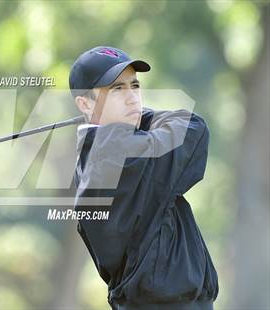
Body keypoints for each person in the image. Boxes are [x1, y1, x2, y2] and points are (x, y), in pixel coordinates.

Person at [70, 46, 219, 310]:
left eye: (135, 86)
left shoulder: (97, 155)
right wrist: (145, 115)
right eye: (117, 89)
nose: (132, 98)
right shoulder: (121, 155)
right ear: (84, 103)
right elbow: (194, 129)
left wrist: (132, 117)